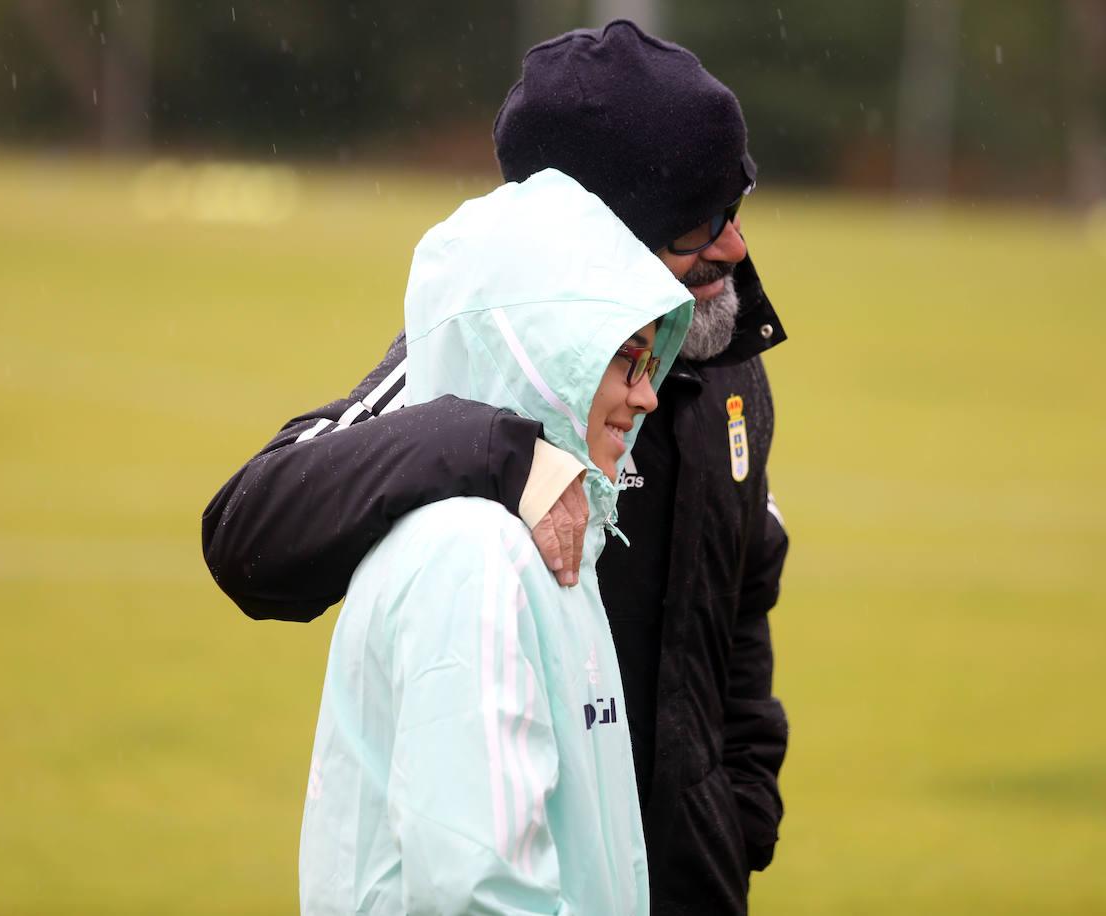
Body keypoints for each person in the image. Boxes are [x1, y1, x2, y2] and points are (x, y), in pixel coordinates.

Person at [203, 20, 789, 915]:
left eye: (738, 204)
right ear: (597, 238)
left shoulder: (728, 371)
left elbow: (746, 590)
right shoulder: (479, 364)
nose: (736, 248)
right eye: (701, 221)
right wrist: (499, 449)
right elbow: (247, 531)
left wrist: (739, 810)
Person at [299, 168, 693, 915]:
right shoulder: (472, 554)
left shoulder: (544, 535)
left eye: (652, 362)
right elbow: (476, 891)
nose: (648, 395)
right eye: (624, 358)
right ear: (541, 358)